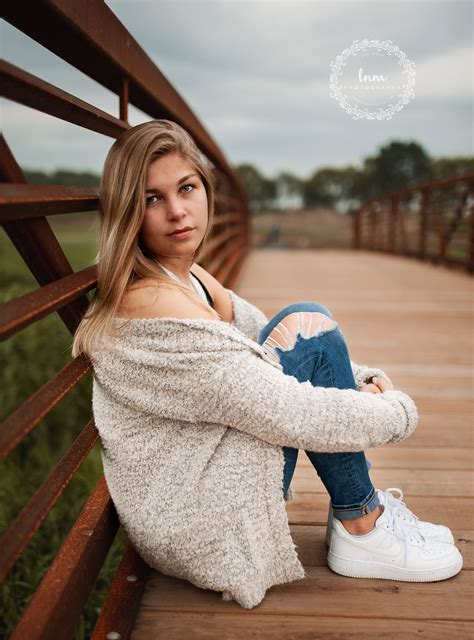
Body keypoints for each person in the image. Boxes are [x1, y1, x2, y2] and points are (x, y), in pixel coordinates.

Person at [72, 120, 462, 610]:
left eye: (186, 188)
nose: (176, 211)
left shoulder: (187, 276)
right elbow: (284, 409)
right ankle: (362, 525)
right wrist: (396, 411)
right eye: (152, 199)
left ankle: (361, 514)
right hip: (199, 520)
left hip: (204, 472)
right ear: (128, 211)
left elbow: (265, 337)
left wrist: (356, 378)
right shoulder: (152, 302)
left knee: (308, 321)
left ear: (206, 191)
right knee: (308, 330)